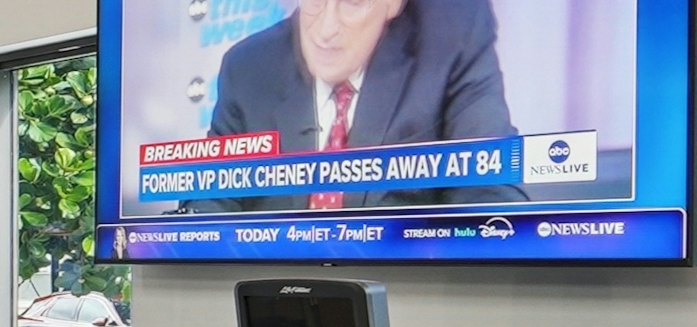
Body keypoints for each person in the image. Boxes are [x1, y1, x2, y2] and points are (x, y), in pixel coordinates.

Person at [195, 0, 522, 212]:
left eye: (353, 3)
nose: (326, 30)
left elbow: (492, 191)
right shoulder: (249, 67)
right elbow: (209, 203)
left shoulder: (451, 42)